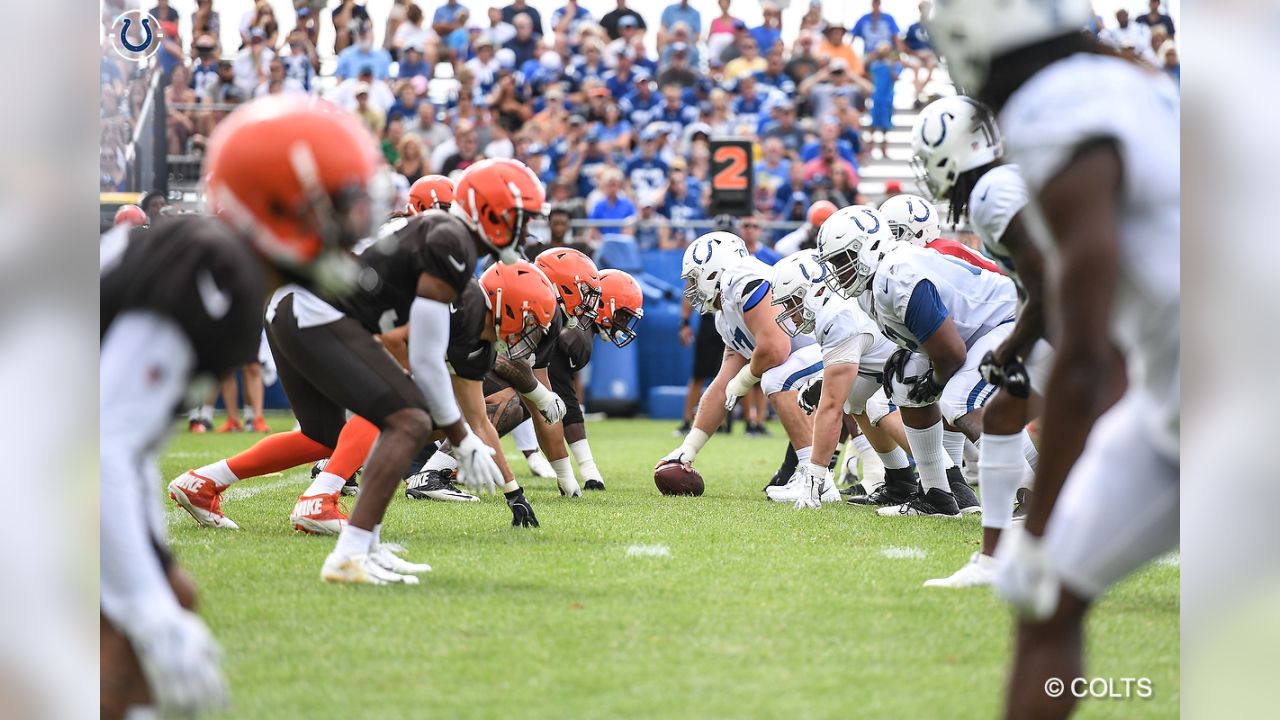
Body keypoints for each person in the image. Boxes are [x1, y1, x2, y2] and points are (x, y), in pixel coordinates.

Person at [928, 2, 1179, 716]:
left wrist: (1037, 530)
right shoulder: (1131, 81)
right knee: (1043, 599)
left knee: (1042, 589)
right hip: (1181, 398)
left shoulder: (1053, 106)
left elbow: (1082, 349)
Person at [101, 96, 380, 719]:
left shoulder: (221, 266)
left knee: (164, 598)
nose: (353, 221)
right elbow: (94, 449)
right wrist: (147, 610)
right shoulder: (214, 272)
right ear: (278, 202)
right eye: (335, 203)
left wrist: (155, 574)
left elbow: (121, 445)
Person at [168, 159, 545, 584]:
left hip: (297, 309)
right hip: (312, 311)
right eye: (523, 216)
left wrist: (463, 435)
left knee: (325, 433)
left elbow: (413, 343)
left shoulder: (447, 238)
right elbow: (420, 356)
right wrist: (461, 437)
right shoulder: (452, 242)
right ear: (492, 211)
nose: (528, 228)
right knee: (406, 416)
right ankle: (345, 541)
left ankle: (205, 482)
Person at [904, 97, 1048, 587]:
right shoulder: (1001, 185)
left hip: (1104, 309)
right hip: (1076, 308)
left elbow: (1048, 277)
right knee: (1006, 415)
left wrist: (1015, 346)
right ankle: (995, 558)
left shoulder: (992, 193)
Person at [817, 205, 999, 516]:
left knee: (956, 401)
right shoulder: (878, 280)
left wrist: (934, 381)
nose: (837, 271)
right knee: (904, 380)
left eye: (842, 261)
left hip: (1000, 323)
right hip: (971, 333)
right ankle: (938, 493)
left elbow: (951, 345)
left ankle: (1025, 485)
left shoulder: (902, 270)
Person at [660, 232, 831, 498]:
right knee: (869, 408)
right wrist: (688, 448)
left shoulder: (741, 279)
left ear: (713, 268)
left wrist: (745, 379)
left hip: (839, 343)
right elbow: (722, 387)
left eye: (694, 278)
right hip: (826, 353)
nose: (691, 288)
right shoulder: (724, 317)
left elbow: (776, 349)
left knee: (776, 378)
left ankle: (816, 479)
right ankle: (893, 478)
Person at [769, 252, 916, 507]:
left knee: (876, 406)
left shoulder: (836, 315)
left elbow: (830, 408)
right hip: (894, 364)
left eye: (793, 302)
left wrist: (815, 481)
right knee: (857, 399)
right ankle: (901, 480)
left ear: (812, 291)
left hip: (915, 363)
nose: (790, 313)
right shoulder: (834, 305)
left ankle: (947, 482)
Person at [879, 193, 1002, 273]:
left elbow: (997, 273)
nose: (889, 238)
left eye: (894, 232)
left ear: (920, 233)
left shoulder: (945, 252)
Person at [866, 42, 900, 158]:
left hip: (887, 98)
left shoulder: (894, 65)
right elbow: (869, 74)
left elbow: (896, 77)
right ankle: (869, 148)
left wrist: (891, 65)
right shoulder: (875, 64)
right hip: (877, 97)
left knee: (886, 125)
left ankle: (884, 150)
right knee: (873, 124)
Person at [902, 2, 936, 106]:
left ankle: (918, 91)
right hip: (915, 55)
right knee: (916, 66)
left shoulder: (933, 27)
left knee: (932, 64)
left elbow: (939, 45)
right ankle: (918, 93)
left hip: (929, 56)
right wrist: (916, 54)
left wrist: (930, 54)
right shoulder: (913, 27)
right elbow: (905, 45)